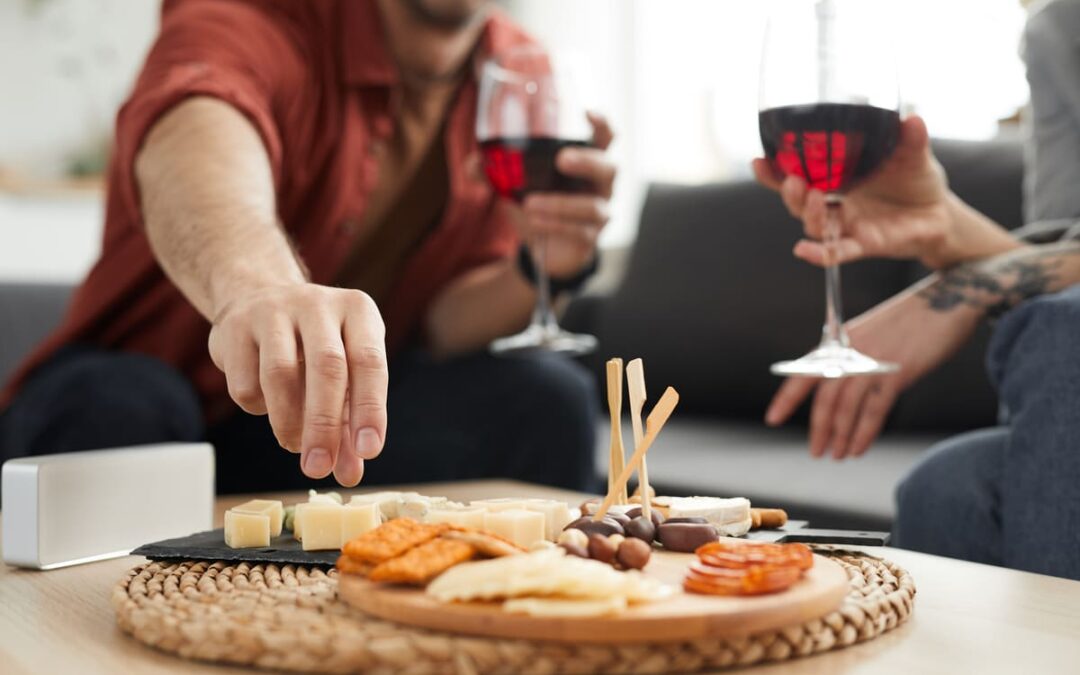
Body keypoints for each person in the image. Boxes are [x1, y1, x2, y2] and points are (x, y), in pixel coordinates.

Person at [0, 0, 616, 495]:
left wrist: (541, 268)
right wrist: (258, 286)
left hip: (317, 434)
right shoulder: (259, 16)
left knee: (549, 397)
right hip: (140, 382)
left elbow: (443, 323)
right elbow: (194, 124)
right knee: (119, 410)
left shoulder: (516, 70)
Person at [751, 0, 1080, 581]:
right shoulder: (1060, 29)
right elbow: (1062, 253)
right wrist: (943, 227)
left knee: (1066, 332)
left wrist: (966, 288)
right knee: (949, 486)